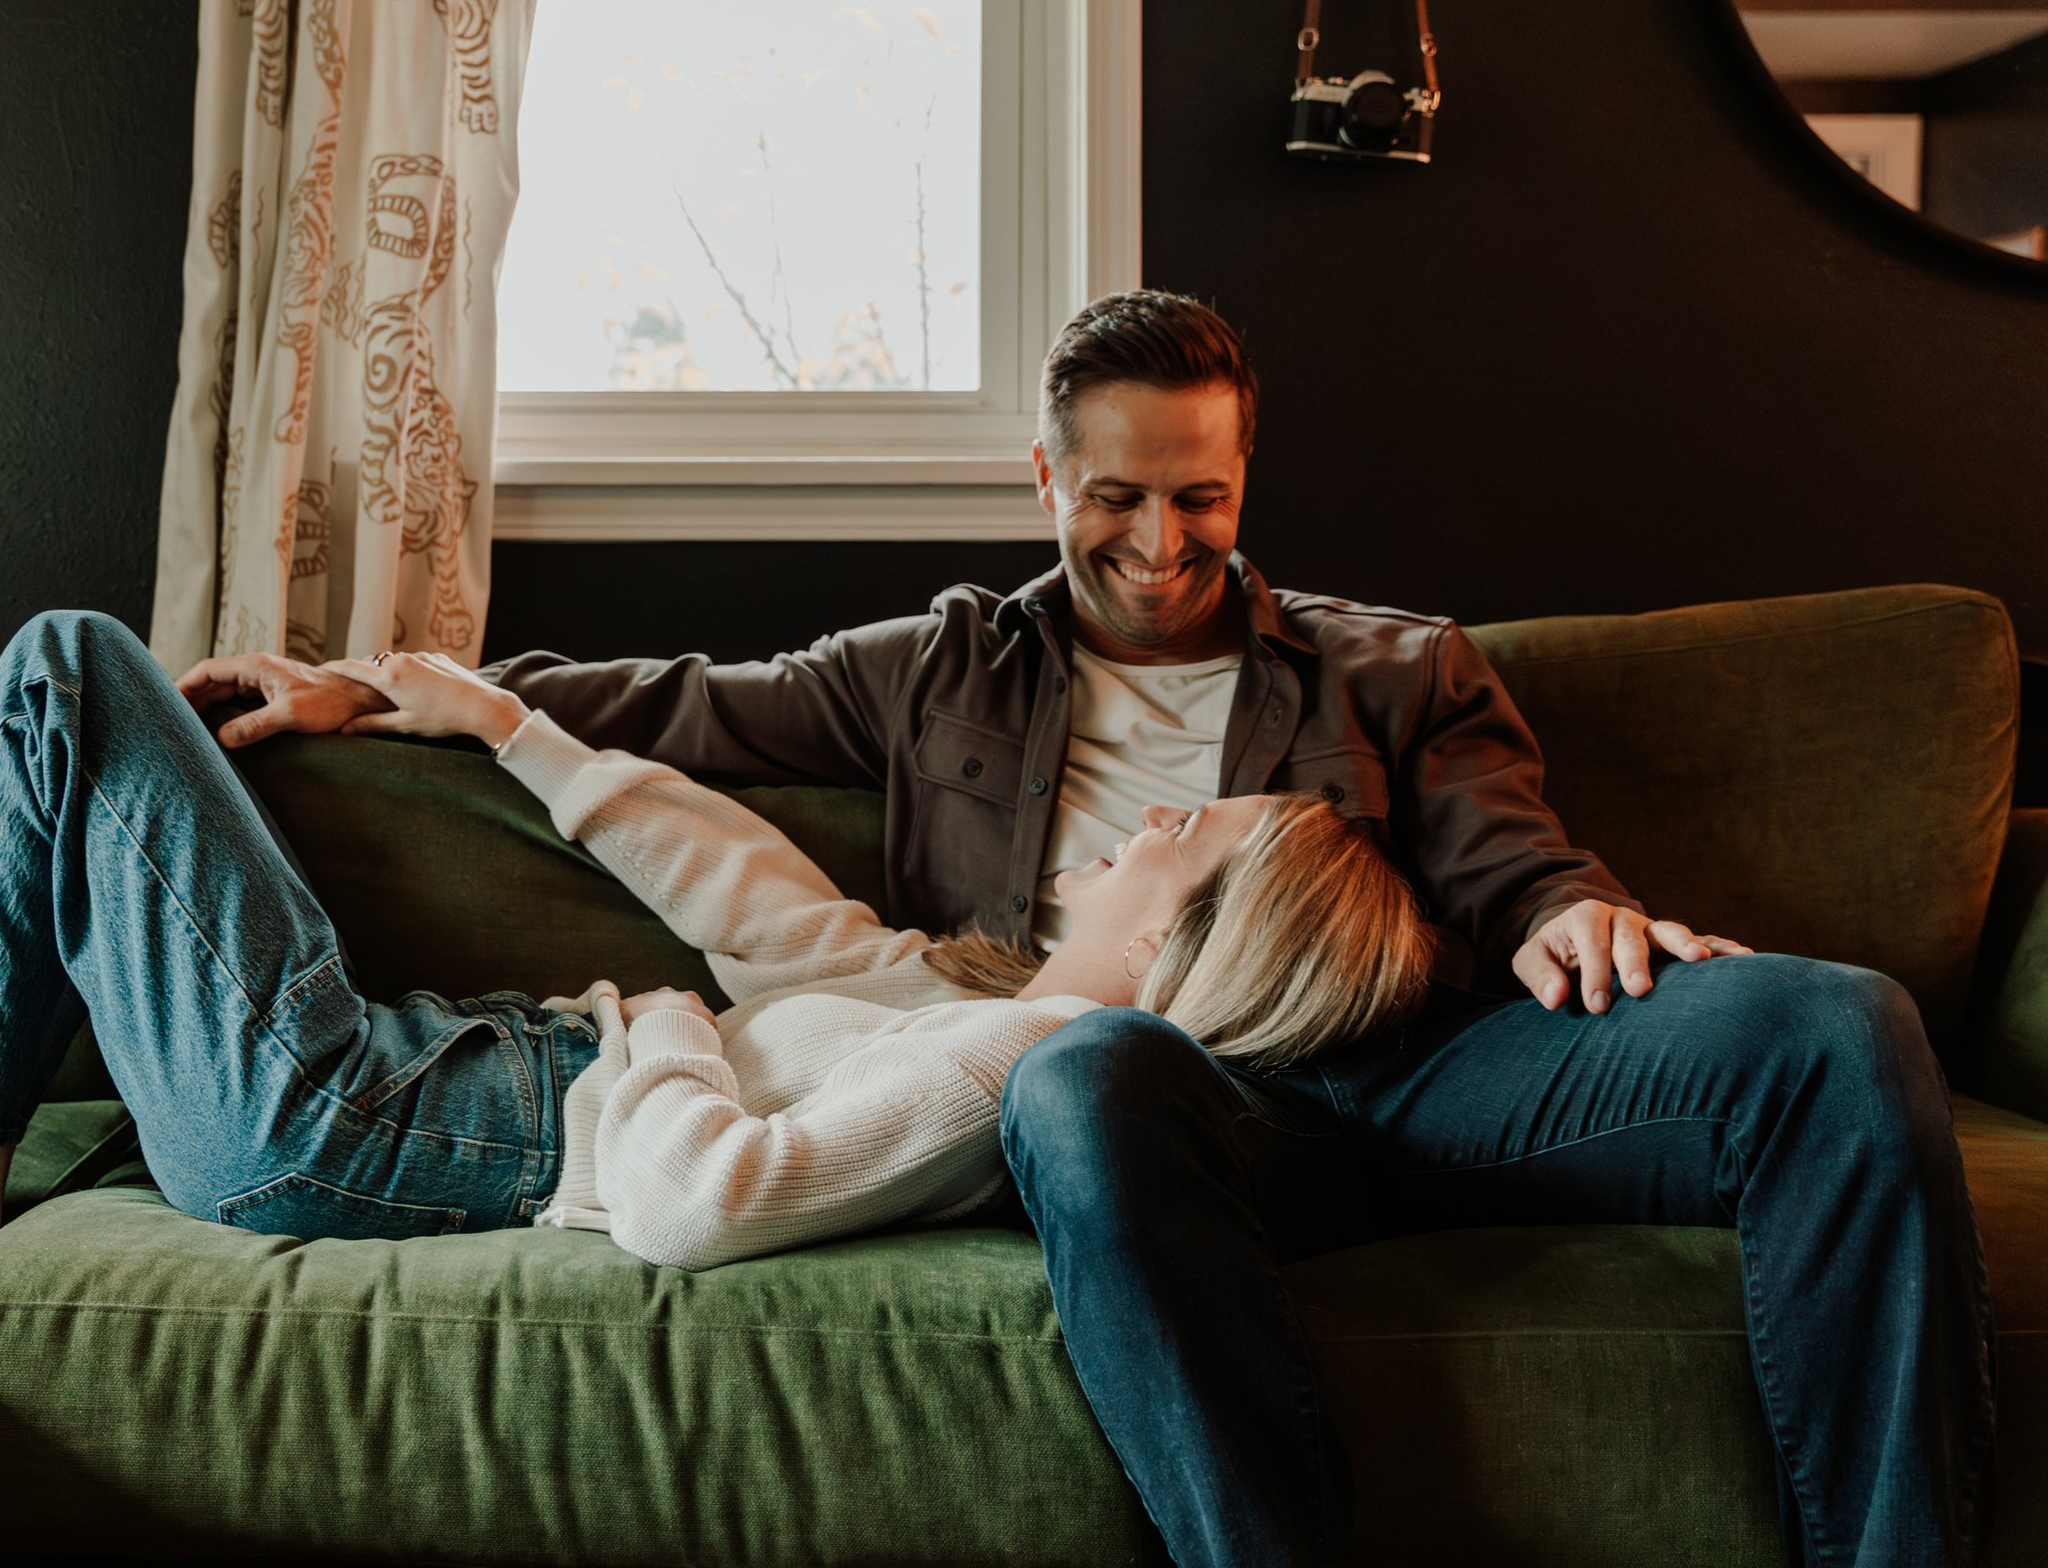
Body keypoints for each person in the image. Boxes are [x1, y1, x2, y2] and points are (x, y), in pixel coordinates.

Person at [160, 288, 1996, 1566]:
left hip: (1415, 1058)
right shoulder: (940, 666)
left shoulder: (1395, 664)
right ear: (1047, 478)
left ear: (1247, 479)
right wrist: (386, 685)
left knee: (1837, 1026)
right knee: (1082, 1068)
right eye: (1117, 495)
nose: (1162, 539)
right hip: (1166, 1090)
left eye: (1203, 495)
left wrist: (1576, 913)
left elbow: (1508, 853)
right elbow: (679, 707)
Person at [0, 611, 1433, 1276]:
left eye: (1188, 835)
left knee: (76, 666)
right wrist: (498, 720)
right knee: (77, 691)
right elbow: (750, 892)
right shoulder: (975, 1003)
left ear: (1190, 946)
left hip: (380, 1118)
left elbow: (704, 1202)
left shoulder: (1018, 1062)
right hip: (398, 1095)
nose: (1143, 824)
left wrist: (662, 1026)